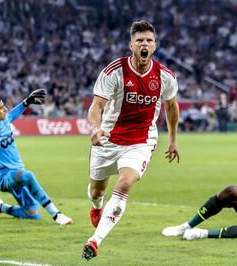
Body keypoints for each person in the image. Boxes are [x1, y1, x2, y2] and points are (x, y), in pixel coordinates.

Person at [82, 20, 180, 261]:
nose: (144, 44)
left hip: (141, 141)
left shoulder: (165, 76)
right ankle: (96, 207)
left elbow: (172, 107)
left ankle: (95, 241)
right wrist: (95, 128)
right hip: (108, 139)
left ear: (155, 46)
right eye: (139, 41)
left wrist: (173, 140)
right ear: (131, 45)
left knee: (124, 184)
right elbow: (96, 106)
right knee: (96, 190)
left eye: (148, 40)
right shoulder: (113, 71)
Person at [0, 90, 72, 225]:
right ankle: (57, 215)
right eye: (1, 108)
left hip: (17, 173)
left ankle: (0, 207)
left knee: (32, 214)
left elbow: (12, 114)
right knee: (28, 176)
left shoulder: (3, 121)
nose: (5, 109)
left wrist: (26, 102)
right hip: (2, 176)